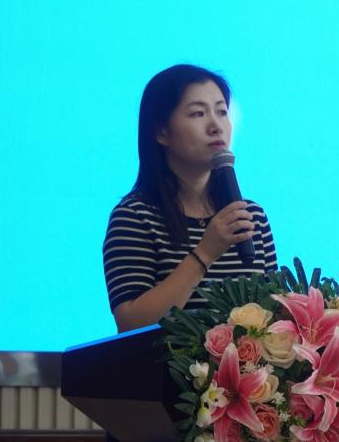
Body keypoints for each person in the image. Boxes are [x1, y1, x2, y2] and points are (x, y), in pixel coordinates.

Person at [102, 64, 277, 332]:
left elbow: (274, 314)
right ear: (161, 132)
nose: (216, 126)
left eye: (221, 112)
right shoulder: (134, 217)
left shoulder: (251, 217)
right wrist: (205, 253)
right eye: (198, 113)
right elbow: (131, 323)